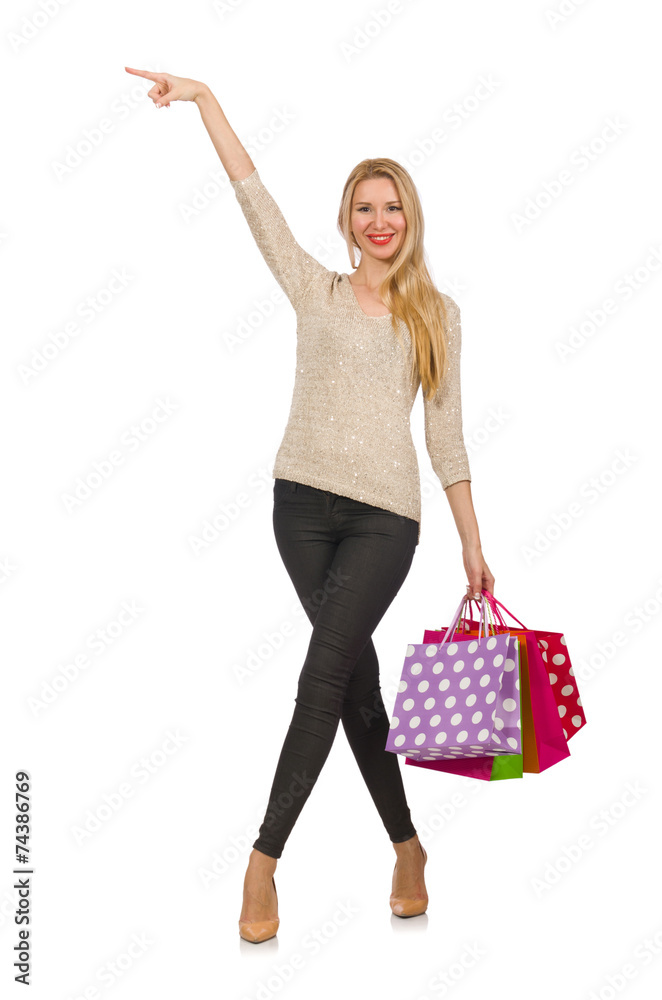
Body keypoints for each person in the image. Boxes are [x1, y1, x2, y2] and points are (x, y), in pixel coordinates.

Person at [124, 66, 495, 943]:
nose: (378, 221)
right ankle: (408, 845)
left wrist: (474, 546)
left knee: (322, 673)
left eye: (391, 207)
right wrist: (206, 99)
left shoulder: (437, 316)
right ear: (347, 221)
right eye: (364, 208)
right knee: (356, 682)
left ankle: (262, 861)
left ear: (410, 220)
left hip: (385, 521)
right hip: (299, 509)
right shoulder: (314, 288)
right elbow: (253, 198)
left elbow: (447, 438)